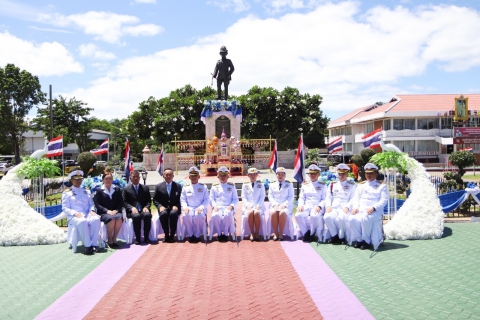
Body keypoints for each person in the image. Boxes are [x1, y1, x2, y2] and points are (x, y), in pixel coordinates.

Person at [349, 163, 388, 250]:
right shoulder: (361, 185)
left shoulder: (381, 186)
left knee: (366, 218)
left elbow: (384, 200)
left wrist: (374, 207)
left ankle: (366, 241)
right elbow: (356, 198)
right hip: (361, 210)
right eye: (367, 173)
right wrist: (355, 207)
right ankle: (359, 240)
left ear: (376, 174)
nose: (369, 175)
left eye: (371, 173)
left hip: (375, 212)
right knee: (352, 218)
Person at [62, 170, 101, 254]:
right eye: (76, 179)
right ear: (71, 180)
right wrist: (74, 213)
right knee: (82, 221)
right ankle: (87, 246)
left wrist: (92, 210)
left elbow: (91, 204)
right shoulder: (67, 193)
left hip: (86, 214)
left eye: (80, 179)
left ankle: (94, 244)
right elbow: (65, 208)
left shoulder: (86, 191)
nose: (79, 181)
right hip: (74, 216)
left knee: (96, 219)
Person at [323, 164, 356, 245]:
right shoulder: (332, 184)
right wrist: (328, 206)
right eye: (339, 173)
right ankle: (334, 235)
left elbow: (353, 198)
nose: (341, 176)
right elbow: (328, 197)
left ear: (347, 174)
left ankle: (341, 237)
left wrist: (347, 207)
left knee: (342, 218)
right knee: (326, 217)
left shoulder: (351, 185)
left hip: (345, 208)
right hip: (334, 208)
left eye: (343, 174)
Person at [296, 164, 327, 242]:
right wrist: (300, 205)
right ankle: (306, 233)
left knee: (314, 215)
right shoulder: (305, 185)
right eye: (311, 174)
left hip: (317, 207)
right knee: (298, 215)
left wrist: (319, 206)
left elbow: (324, 199)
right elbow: (301, 197)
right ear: (309, 174)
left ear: (318, 174)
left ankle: (312, 234)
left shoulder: (323, 185)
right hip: (307, 206)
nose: (312, 175)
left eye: (314, 173)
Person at [93, 170, 124, 248]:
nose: (108, 180)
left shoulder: (116, 189)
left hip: (115, 211)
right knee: (111, 219)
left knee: (119, 218)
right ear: (103, 180)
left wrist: (116, 210)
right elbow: (97, 204)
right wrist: (107, 211)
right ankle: (110, 239)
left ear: (112, 180)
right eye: (106, 178)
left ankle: (114, 238)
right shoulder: (99, 190)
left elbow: (121, 202)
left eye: (110, 178)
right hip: (104, 213)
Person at [180, 166, 210, 243]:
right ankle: (190, 235)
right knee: (185, 216)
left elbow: (207, 199)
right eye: (192, 176)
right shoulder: (185, 187)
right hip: (189, 208)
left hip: (200, 208)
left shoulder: (203, 187)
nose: (194, 177)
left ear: (199, 176)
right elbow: (182, 199)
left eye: (195, 176)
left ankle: (197, 235)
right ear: (189, 177)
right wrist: (185, 207)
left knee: (198, 216)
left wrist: (201, 207)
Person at [123, 170, 152, 245]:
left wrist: (146, 207)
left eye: (137, 177)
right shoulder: (126, 189)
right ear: (130, 178)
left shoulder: (145, 188)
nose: (135, 178)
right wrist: (131, 208)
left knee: (147, 215)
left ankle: (146, 237)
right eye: (134, 177)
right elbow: (124, 202)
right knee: (136, 217)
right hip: (133, 211)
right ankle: (138, 238)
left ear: (139, 178)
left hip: (143, 209)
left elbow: (149, 201)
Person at [209, 166, 238, 241]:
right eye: (221, 175)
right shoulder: (214, 186)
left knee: (227, 214)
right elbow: (211, 198)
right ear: (218, 176)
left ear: (228, 176)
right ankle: (219, 234)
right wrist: (214, 206)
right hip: (217, 207)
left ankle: (225, 234)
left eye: (224, 175)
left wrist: (231, 206)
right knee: (215, 215)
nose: (223, 177)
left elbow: (235, 199)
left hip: (228, 207)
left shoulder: (232, 186)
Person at [153, 168, 182, 243]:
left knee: (173, 214)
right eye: (166, 175)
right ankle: (166, 235)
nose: (168, 176)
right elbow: (155, 200)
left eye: (170, 175)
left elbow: (181, 198)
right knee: (163, 215)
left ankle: (172, 235)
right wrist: (160, 206)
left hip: (174, 208)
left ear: (173, 176)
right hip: (164, 208)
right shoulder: (159, 186)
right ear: (163, 176)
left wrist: (177, 205)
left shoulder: (178, 186)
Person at [268, 167, 294, 241]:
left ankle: (281, 233)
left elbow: (291, 196)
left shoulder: (289, 184)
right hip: (275, 205)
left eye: (282, 174)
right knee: (273, 213)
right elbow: (270, 196)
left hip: (286, 206)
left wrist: (284, 204)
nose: (280, 176)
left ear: (285, 175)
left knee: (282, 213)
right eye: (278, 174)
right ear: (276, 175)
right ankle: (276, 233)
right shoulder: (272, 184)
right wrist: (274, 204)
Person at [241, 167, 266, 241]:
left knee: (256, 213)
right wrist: (247, 206)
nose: (252, 176)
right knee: (249, 213)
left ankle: (257, 232)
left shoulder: (261, 185)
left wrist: (259, 205)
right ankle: (252, 233)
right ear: (248, 175)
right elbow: (243, 196)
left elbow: (262, 196)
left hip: (258, 205)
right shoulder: (245, 185)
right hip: (248, 206)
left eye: (254, 174)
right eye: (251, 174)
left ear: (257, 175)